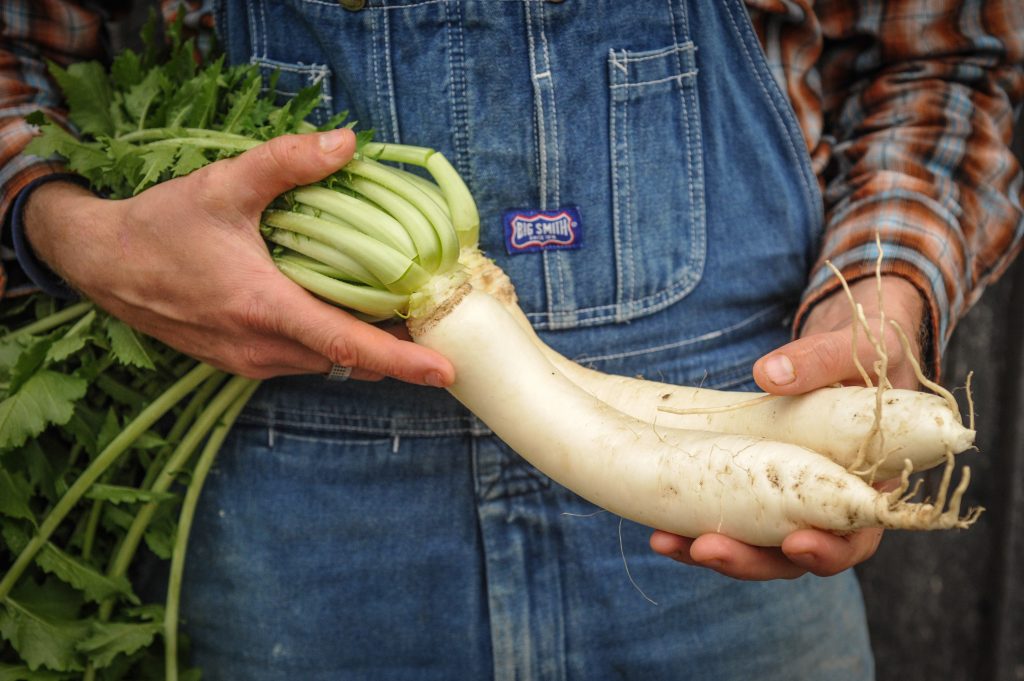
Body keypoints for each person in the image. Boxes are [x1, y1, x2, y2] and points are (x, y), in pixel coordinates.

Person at [2, 1, 1022, 679]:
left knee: (823, 476)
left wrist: (883, 292)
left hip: (748, 460)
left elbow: (949, 61)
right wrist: (78, 235)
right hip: (277, 510)